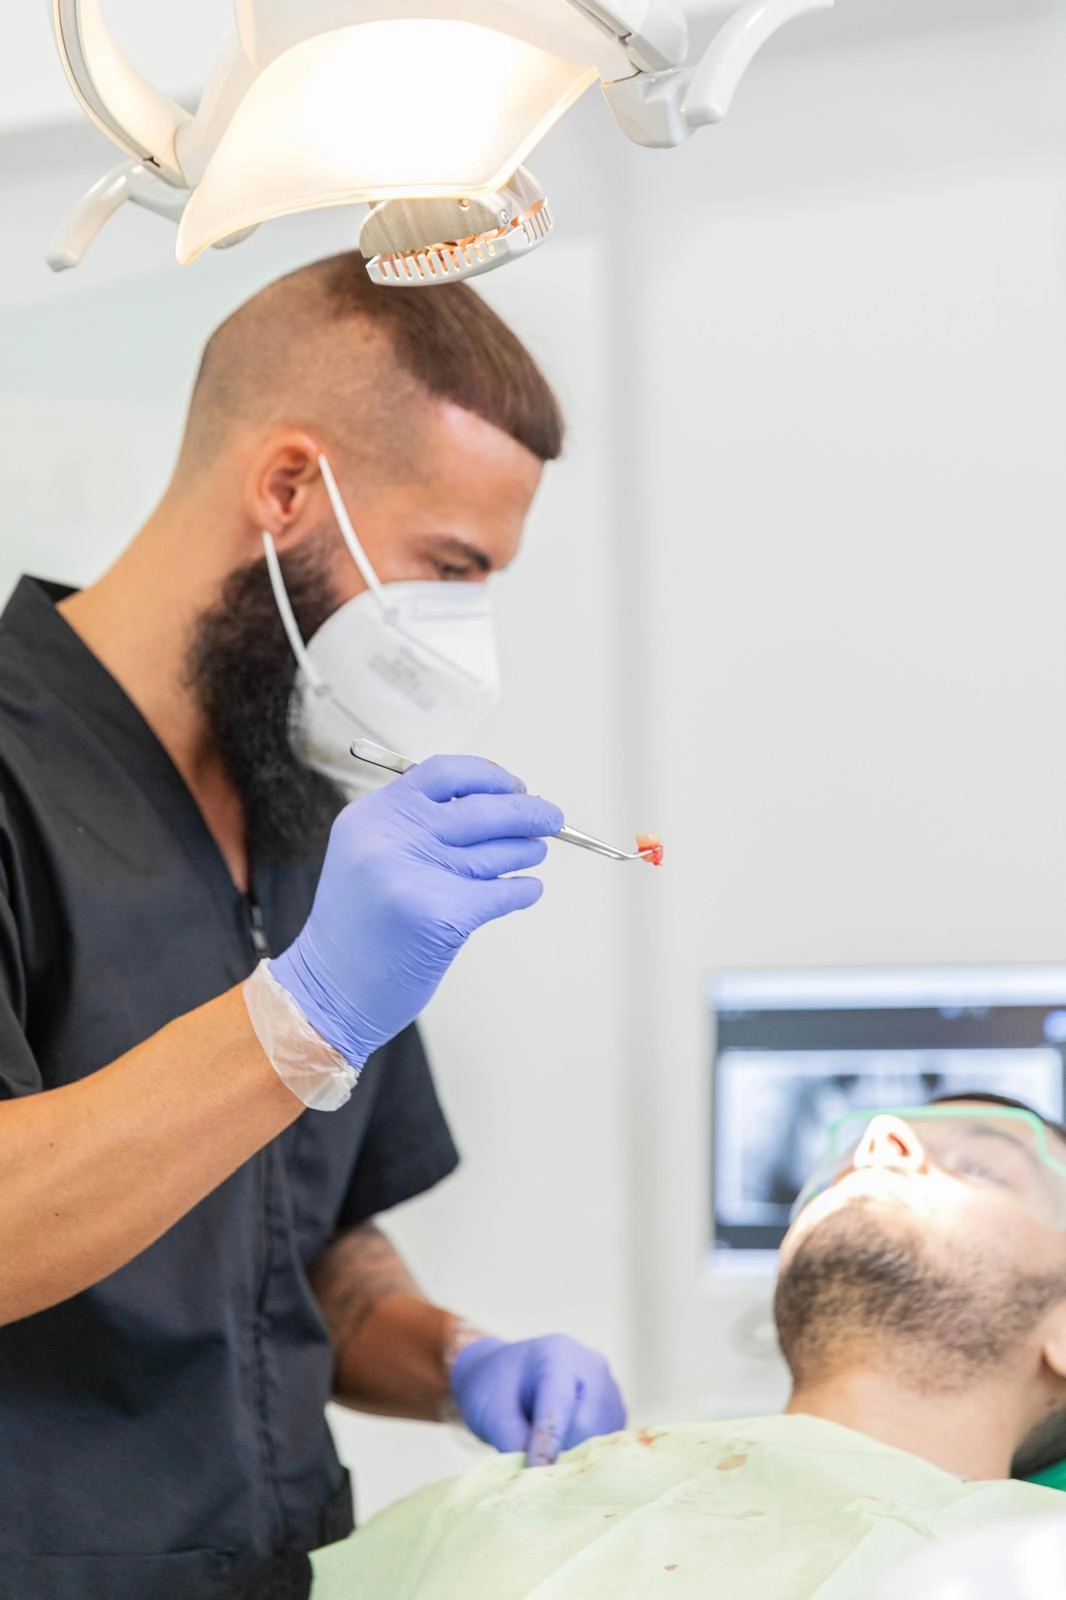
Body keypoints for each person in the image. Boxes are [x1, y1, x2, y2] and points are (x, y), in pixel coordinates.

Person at [0, 253, 625, 1600]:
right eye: (446, 568)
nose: (463, 638)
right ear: (287, 488)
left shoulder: (305, 817)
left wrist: (454, 1356)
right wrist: (300, 1016)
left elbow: (309, 1254)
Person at [312, 1094, 1066, 1600]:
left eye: (979, 1165)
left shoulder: (1032, 1565)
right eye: (850, 1157)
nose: (878, 1138)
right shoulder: (496, 1505)